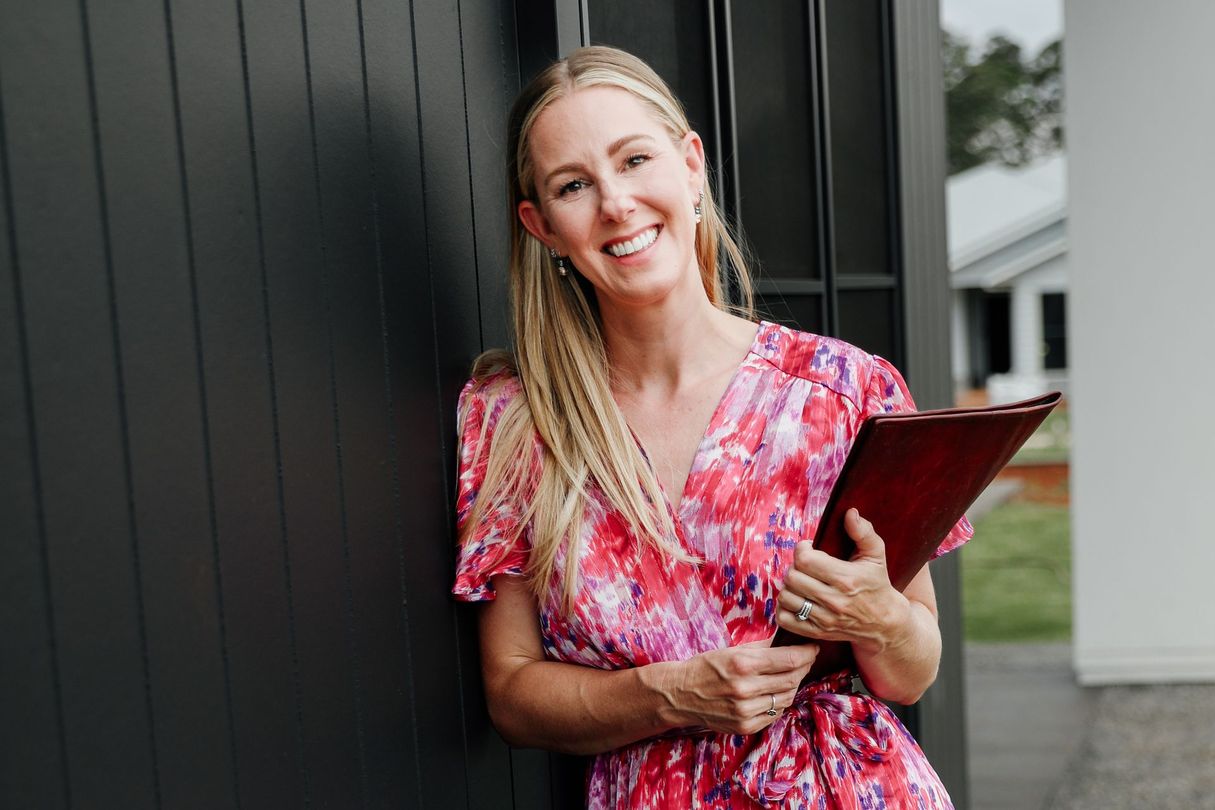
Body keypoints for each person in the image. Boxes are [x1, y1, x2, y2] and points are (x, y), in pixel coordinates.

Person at [451, 45, 972, 809]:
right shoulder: (512, 421)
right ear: (541, 227)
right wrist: (669, 694)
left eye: (634, 159)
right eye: (573, 185)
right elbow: (513, 696)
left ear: (690, 164)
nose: (616, 204)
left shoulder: (843, 390)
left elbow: (911, 670)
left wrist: (879, 616)